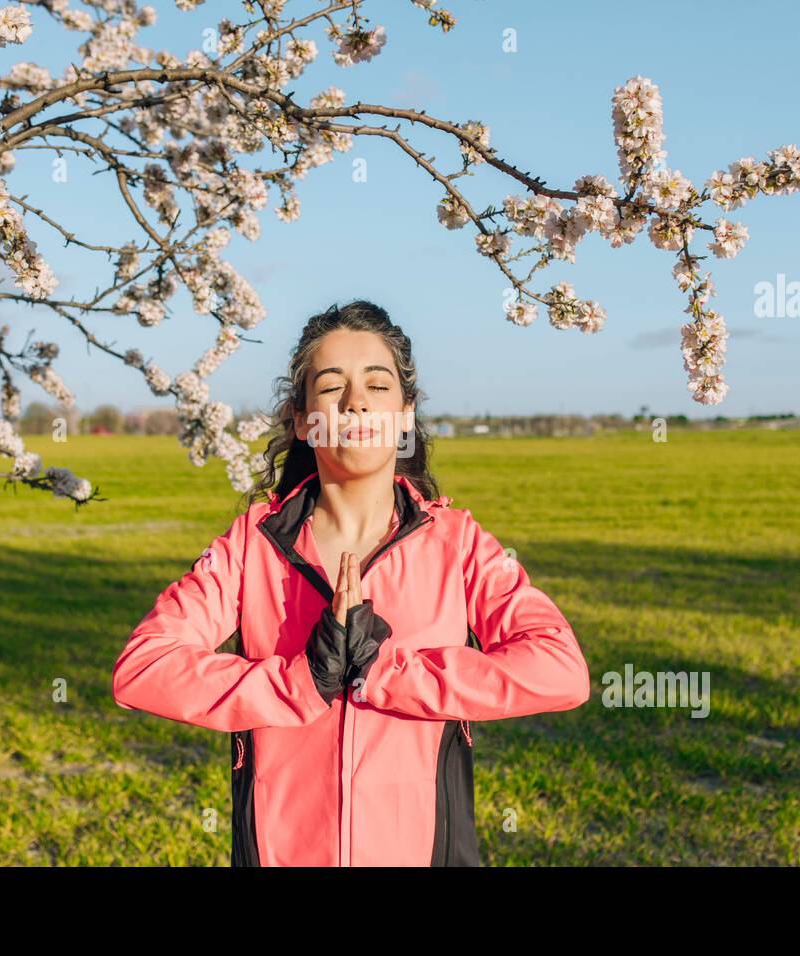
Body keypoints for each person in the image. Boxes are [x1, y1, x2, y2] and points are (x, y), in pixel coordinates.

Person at [111, 299, 591, 866]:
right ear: (301, 417)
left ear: (406, 412)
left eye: (378, 385)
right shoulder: (253, 545)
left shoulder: (457, 543)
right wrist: (300, 683)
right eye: (332, 385)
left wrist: (385, 673)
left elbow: (560, 670)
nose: (356, 401)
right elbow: (142, 671)